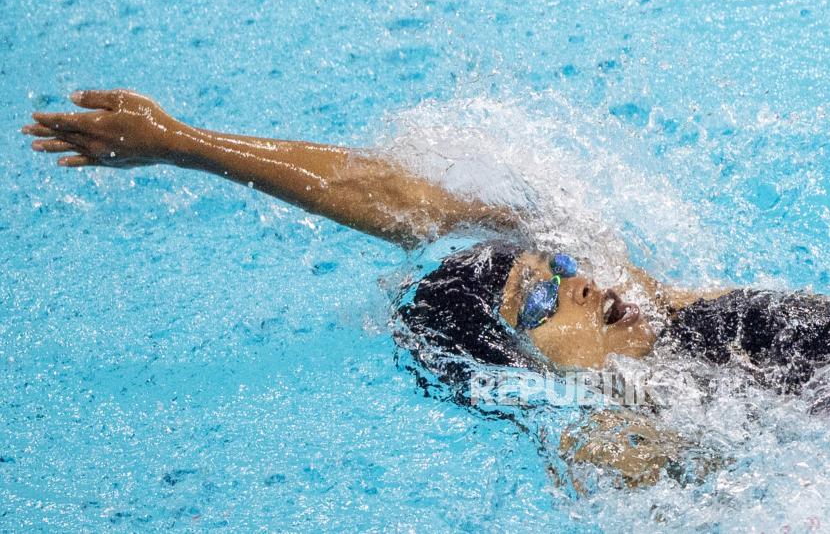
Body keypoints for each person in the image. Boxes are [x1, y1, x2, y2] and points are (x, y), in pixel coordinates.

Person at [22, 89, 830, 488]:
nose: (578, 286)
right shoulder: (612, 452)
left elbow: (403, 199)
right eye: (538, 304)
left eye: (561, 269)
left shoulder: (670, 309)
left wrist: (187, 143)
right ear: (520, 365)